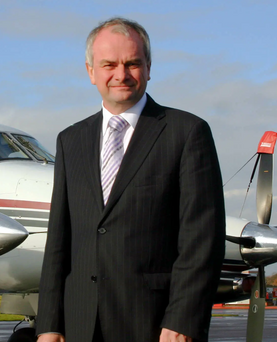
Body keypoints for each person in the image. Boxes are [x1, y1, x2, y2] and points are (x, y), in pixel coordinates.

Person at [36, 17, 225, 342]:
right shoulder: (70, 140)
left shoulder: (187, 133)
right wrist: (49, 324)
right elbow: (58, 241)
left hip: (155, 325)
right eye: (109, 64)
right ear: (90, 71)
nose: (121, 75)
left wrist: (183, 320)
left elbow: (202, 238)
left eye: (132, 63)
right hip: (80, 325)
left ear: (149, 68)